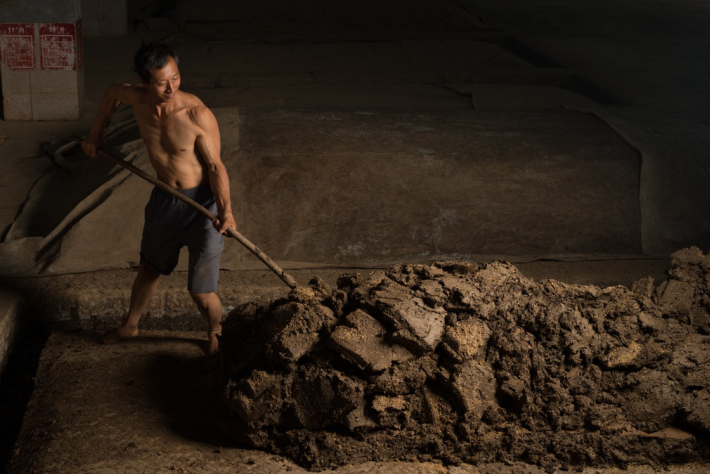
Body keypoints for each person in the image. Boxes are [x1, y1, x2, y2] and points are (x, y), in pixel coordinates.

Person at [82, 42, 237, 356]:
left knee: (201, 292)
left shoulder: (197, 114)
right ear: (144, 82)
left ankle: (216, 331)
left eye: (176, 77)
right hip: (165, 200)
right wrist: (95, 134)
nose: (171, 87)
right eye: (162, 82)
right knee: (149, 269)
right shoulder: (135, 99)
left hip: (203, 206)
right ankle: (131, 325)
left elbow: (215, 166)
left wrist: (227, 211)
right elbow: (112, 93)